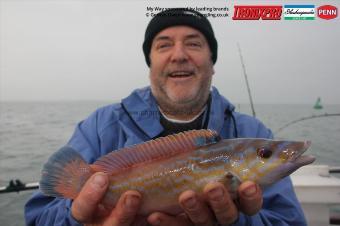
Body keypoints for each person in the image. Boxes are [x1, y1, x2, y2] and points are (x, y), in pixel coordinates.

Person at [25, 8, 307, 226]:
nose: (179, 55)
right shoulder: (100, 125)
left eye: (194, 44)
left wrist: (238, 221)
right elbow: (39, 216)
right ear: (150, 64)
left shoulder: (251, 129)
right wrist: (78, 216)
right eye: (163, 45)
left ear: (212, 63)